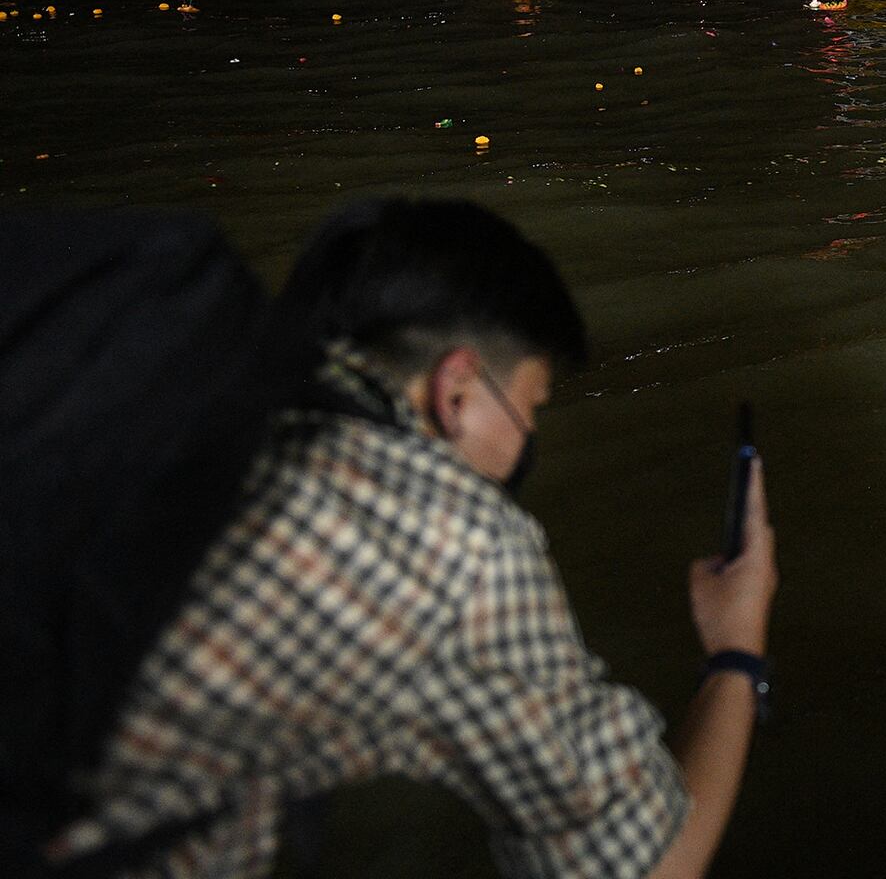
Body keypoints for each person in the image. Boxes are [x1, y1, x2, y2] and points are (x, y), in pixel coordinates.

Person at [43, 198, 779, 879]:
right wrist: (736, 644)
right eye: (530, 405)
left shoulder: (191, 389)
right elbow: (647, 864)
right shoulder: (455, 544)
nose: (527, 439)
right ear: (456, 391)